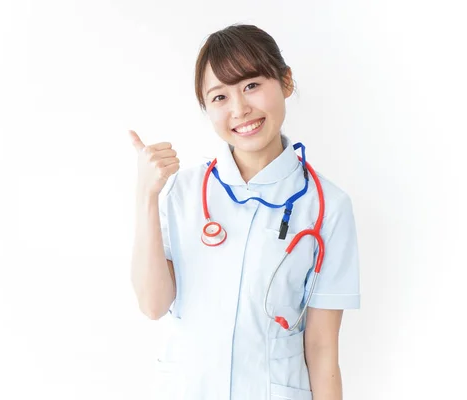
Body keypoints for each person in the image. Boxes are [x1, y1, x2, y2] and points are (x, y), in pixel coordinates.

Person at [129, 23, 360, 400]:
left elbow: (321, 349)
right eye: (220, 97)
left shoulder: (328, 207)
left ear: (285, 82)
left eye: (252, 85)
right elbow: (153, 305)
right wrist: (145, 196)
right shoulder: (182, 193)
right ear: (207, 109)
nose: (240, 109)